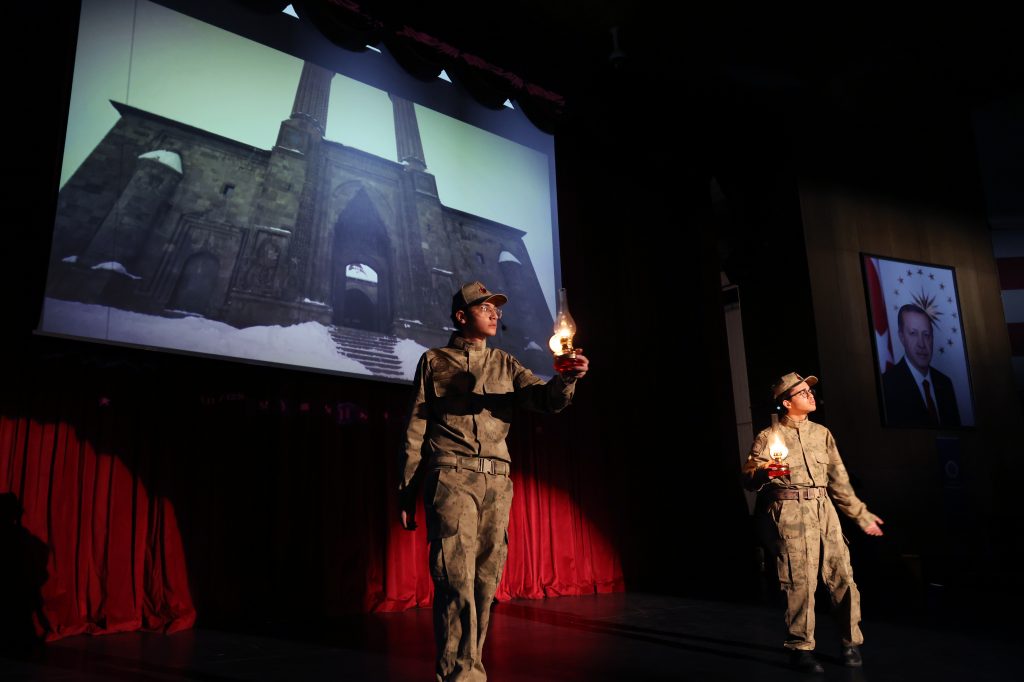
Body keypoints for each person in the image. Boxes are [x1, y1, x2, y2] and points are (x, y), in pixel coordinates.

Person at [399, 281, 589, 682]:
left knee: (485, 584)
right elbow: (416, 428)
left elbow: (545, 400)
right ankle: (461, 676)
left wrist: (567, 379)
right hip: (451, 477)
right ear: (461, 316)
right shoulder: (434, 361)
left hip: (497, 484)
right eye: (484, 306)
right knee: (456, 579)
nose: (494, 312)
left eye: (497, 307)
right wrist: (407, 490)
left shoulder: (505, 363)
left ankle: (469, 668)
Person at [742, 372, 884, 674]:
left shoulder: (822, 434)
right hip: (791, 510)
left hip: (823, 509)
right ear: (786, 402)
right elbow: (748, 478)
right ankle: (800, 647)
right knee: (798, 581)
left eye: (810, 391)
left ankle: (850, 642)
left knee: (842, 576)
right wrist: (767, 471)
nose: (810, 395)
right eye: (802, 392)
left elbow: (839, 481)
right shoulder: (769, 437)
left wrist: (861, 515)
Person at [881, 304, 961, 427]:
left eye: (926, 335)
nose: (922, 344)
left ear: (932, 338)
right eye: (913, 333)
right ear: (901, 337)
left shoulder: (945, 384)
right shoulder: (886, 385)